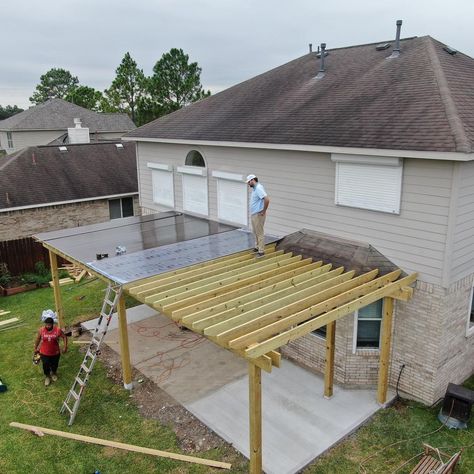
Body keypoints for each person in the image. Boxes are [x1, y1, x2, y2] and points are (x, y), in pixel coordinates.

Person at [34, 317, 67, 386]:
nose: (47, 326)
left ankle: (53, 373)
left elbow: (64, 337)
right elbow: (38, 339)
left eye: (49, 325)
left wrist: (65, 346)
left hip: (55, 352)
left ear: (52, 324)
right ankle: (47, 376)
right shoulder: (41, 330)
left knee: (54, 364)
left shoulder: (57, 330)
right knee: (45, 364)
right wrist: (35, 348)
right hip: (44, 352)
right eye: (46, 324)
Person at [246, 174, 270, 257]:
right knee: (255, 231)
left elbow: (267, 199)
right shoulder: (255, 189)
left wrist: (264, 210)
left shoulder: (259, 188)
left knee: (259, 232)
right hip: (254, 214)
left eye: (249, 182)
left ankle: (261, 251)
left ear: (252, 180)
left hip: (258, 214)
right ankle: (257, 247)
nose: (248, 184)